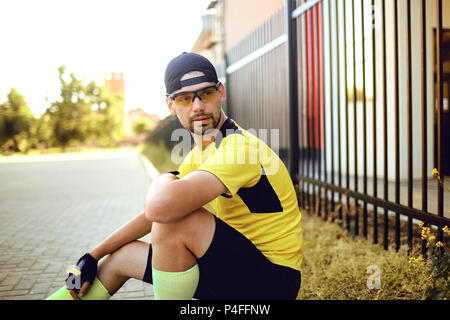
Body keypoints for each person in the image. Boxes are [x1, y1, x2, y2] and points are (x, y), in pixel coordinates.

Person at [46, 52, 303, 300]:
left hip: (272, 283)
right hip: (236, 270)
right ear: (171, 105)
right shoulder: (199, 155)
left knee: (175, 222)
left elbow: (162, 208)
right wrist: (92, 255)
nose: (198, 106)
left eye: (206, 93)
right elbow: (151, 215)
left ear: (221, 93)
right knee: (120, 257)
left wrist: (163, 178)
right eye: (185, 98)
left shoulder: (239, 148)